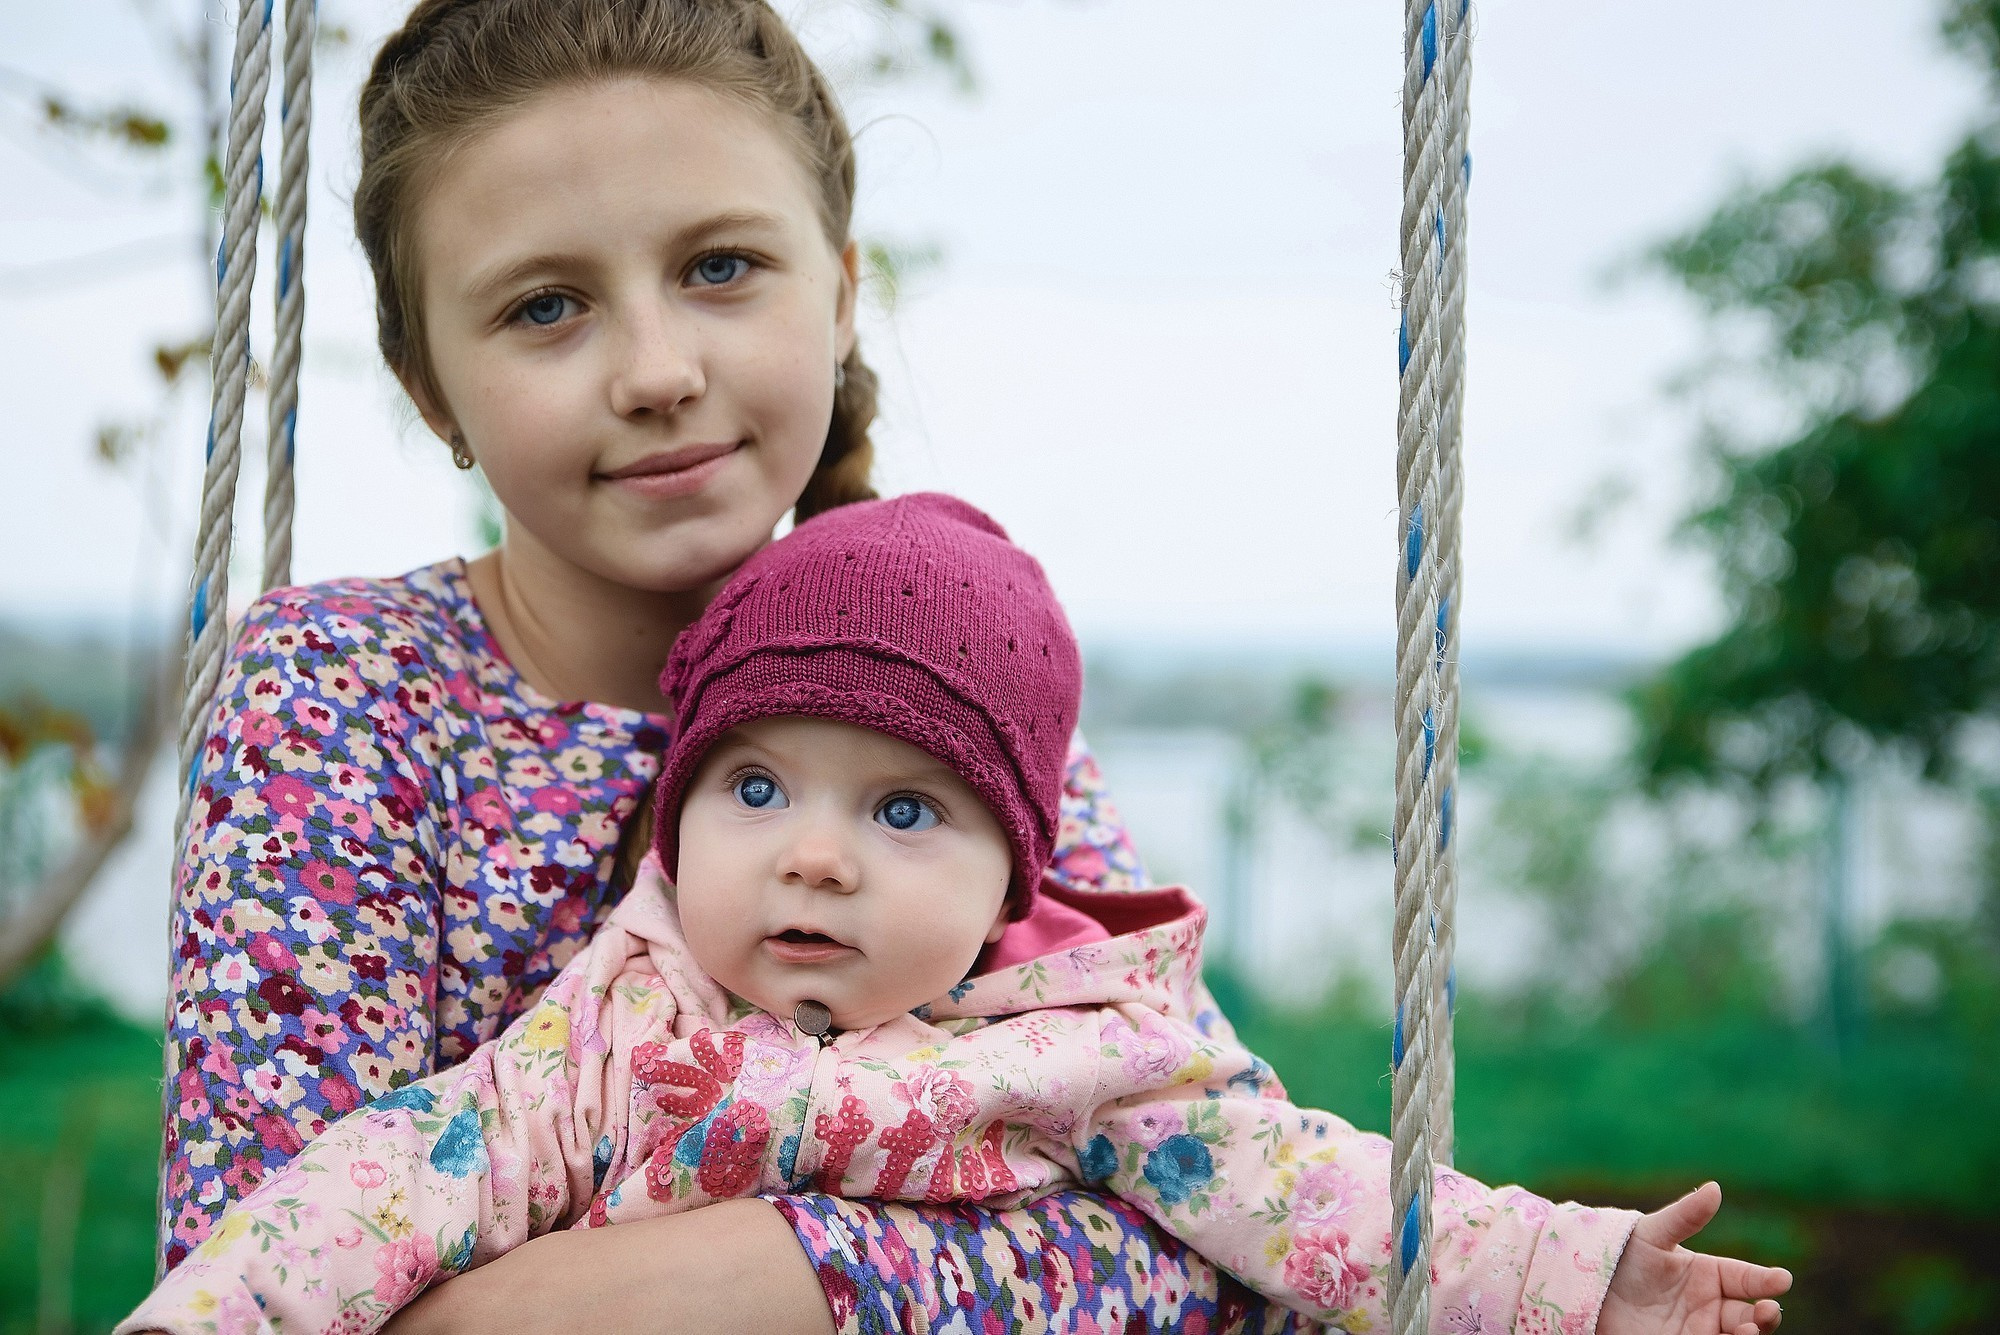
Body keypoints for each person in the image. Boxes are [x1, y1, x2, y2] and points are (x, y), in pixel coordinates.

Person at [162, 2, 1303, 1331]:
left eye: (718, 269)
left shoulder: (943, 681)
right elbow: (252, 1274)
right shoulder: (347, 696)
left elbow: (1233, 1222)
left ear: (839, 293)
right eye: (546, 305)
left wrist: (765, 1277)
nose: (657, 371)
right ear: (430, 389)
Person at [132, 494, 1791, 1335]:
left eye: (904, 811)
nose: (816, 857)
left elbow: (1315, 1196)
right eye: (757, 789)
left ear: (1016, 870)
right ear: (682, 808)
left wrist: (1569, 1279)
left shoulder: (1076, 1051)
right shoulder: (617, 1023)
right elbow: (375, 1187)